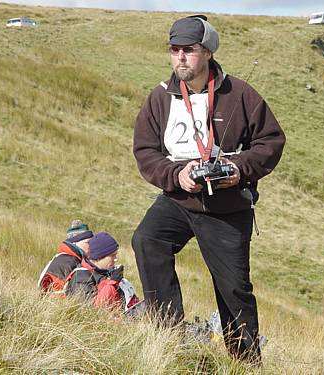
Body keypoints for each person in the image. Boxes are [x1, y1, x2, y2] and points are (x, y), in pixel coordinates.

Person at [131, 15, 285, 362]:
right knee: (147, 239)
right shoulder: (159, 97)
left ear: (208, 52)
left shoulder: (240, 94)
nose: (181, 57)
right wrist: (176, 175)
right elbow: (145, 152)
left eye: (189, 50)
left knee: (233, 288)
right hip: (179, 199)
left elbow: (271, 142)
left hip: (227, 207)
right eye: (174, 50)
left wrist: (238, 170)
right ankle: (166, 336)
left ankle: (245, 362)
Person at [65, 232, 140, 312]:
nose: (116, 259)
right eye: (112, 255)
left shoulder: (104, 272)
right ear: (98, 257)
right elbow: (91, 312)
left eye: (116, 255)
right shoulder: (80, 278)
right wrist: (112, 283)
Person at [38, 219, 93, 294]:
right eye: (88, 242)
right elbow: (55, 292)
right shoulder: (67, 261)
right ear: (76, 243)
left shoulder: (67, 257)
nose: (91, 245)